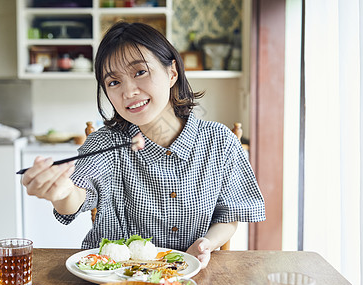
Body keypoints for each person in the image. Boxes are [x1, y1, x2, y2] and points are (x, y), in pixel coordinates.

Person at [22, 22, 265, 269]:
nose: (128, 91)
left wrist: (206, 243)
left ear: (172, 73)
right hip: (112, 280)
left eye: (140, 72)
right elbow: (77, 196)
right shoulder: (107, 143)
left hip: (188, 277)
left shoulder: (220, 141)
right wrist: (62, 192)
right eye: (113, 82)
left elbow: (229, 215)